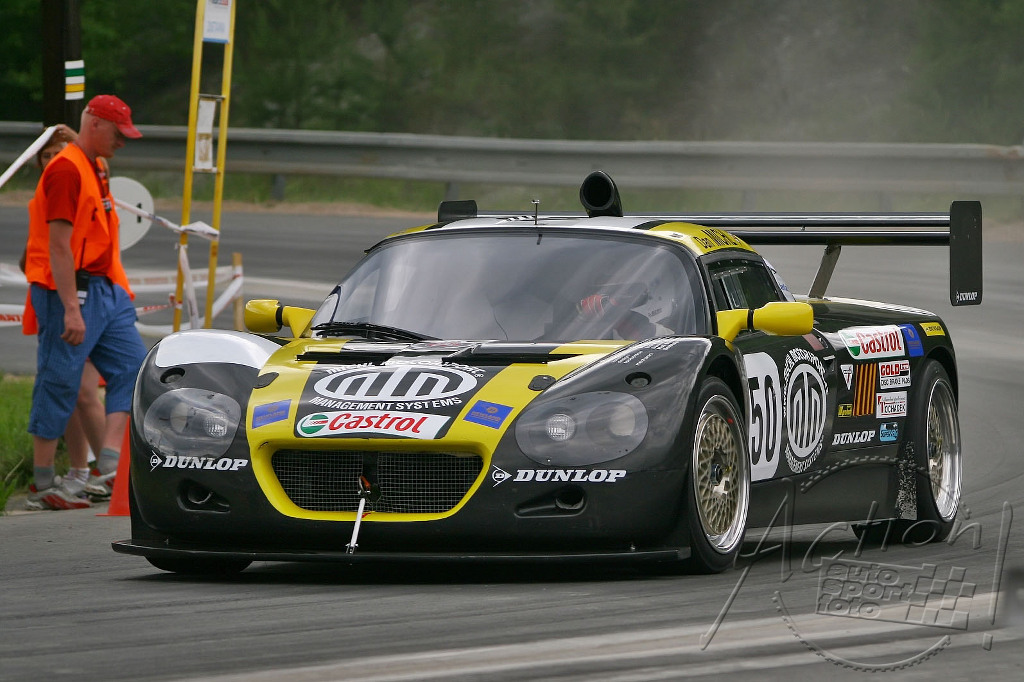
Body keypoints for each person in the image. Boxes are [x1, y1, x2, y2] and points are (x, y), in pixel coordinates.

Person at [23, 95, 148, 510]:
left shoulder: (95, 164)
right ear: (95, 124)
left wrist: (114, 292)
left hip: (105, 288)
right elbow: (59, 246)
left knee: (134, 370)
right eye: (118, 133)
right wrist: (71, 309)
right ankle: (43, 482)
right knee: (59, 379)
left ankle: (108, 465)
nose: (122, 142)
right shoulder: (66, 171)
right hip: (68, 292)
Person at [18, 126, 110, 505]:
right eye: (46, 154)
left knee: (83, 391)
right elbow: (40, 248)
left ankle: (102, 470)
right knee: (67, 387)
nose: (53, 160)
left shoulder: (87, 177)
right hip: (53, 292)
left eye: (60, 152)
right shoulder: (47, 192)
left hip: (81, 296)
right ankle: (81, 472)